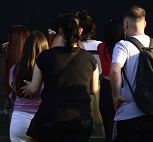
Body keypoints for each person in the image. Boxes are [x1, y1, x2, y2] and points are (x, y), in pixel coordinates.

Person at [22, 13, 99, 142]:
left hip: (51, 118)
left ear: (60, 31)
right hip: (81, 119)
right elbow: (93, 90)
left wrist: (27, 87)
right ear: (80, 31)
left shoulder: (44, 57)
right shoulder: (90, 59)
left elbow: (34, 89)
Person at [110, 6, 153, 142]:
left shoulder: (123, 45)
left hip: (129, 113)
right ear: (145, 23)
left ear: (125, 24)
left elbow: (115, 70)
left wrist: (115, 96)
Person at [8, 31, 48, 142]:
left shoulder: (15, 69)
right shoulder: (47, 71)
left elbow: (14, 90)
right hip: (41, 118)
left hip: (19, 119)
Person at [97, 20, 124, 142]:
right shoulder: (123, 47)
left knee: (108, 123)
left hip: (106, 85)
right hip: (121, 85)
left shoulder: (101, 47)